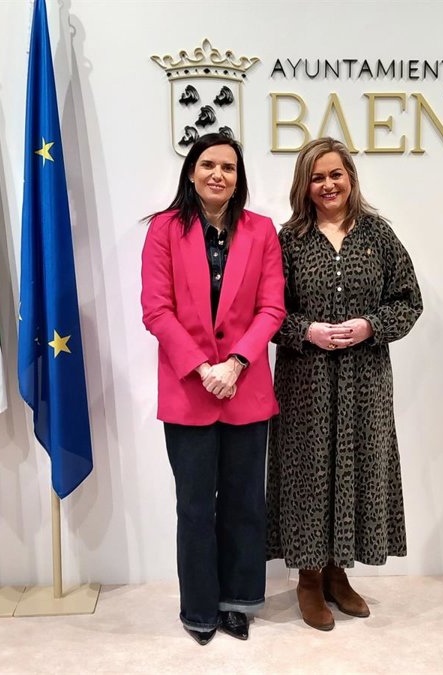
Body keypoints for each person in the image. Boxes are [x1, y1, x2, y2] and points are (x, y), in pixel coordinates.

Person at [266, 137, 423, 630]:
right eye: (317, 177)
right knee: (309, 474)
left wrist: (372, 326)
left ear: (350, 178)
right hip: (305, 381)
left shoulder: (378, 235)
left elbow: (409, 301)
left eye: (336, 174)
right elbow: (266, 312)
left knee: (357, 468)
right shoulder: (288, 240)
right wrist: (305, 330)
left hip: (365, 381)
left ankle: (337, 573)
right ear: (304, 185)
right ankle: (308, 580)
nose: (328, 184)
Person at [140, 133, 286, 645]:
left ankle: (238, 601)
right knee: (196, 506)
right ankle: (200, 606)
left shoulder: (262, 231)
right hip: (189, 389)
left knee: (245, 502)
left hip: (246, 388)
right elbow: (156, 310)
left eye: (229, 167)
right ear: (191, 172)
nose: (218, 174)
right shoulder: (164, 230)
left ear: (239, 178)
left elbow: (272, 308)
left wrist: (237, 362)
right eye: (208, 165)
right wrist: (204, 368)